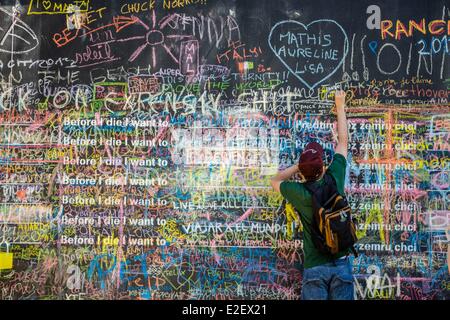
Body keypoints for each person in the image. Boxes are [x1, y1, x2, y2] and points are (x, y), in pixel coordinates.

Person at [270, 90, 354, 300]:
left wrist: (298, 168)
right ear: (322, 166)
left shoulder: (299, 192)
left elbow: (275, 180)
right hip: (341, 261)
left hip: (315, 266)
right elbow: (343, 142)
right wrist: (340, 105)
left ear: (303, 171)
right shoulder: (334, 177)